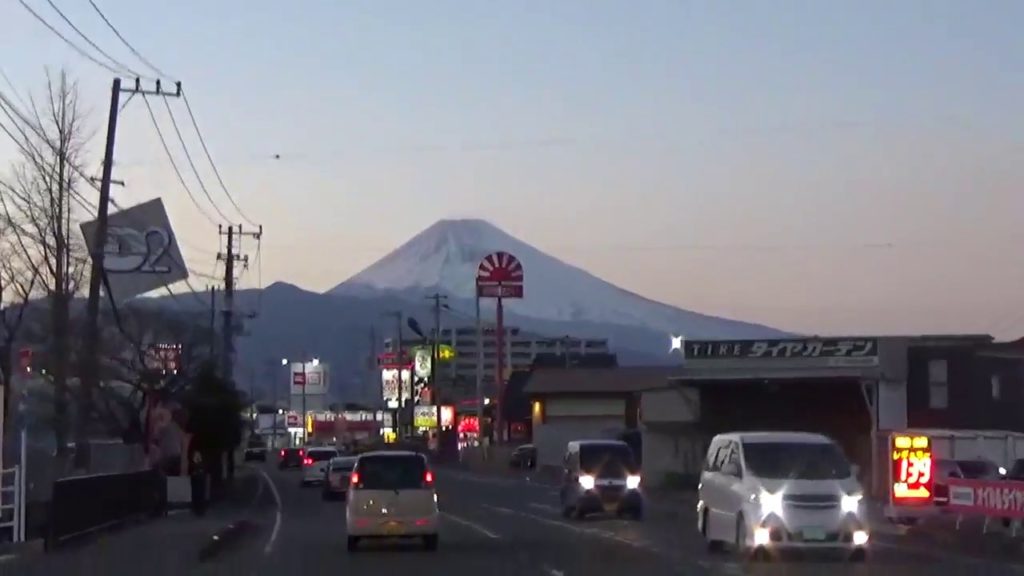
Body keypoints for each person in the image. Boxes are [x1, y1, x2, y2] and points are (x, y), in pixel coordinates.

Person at [188, 435, 207, 516]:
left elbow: (190, 458)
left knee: (196, 489)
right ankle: (199, 507)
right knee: (200, 489)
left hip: (195, 472)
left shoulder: (193, 448)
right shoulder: (203, 449)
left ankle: (197, 506)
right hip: (200, 472)